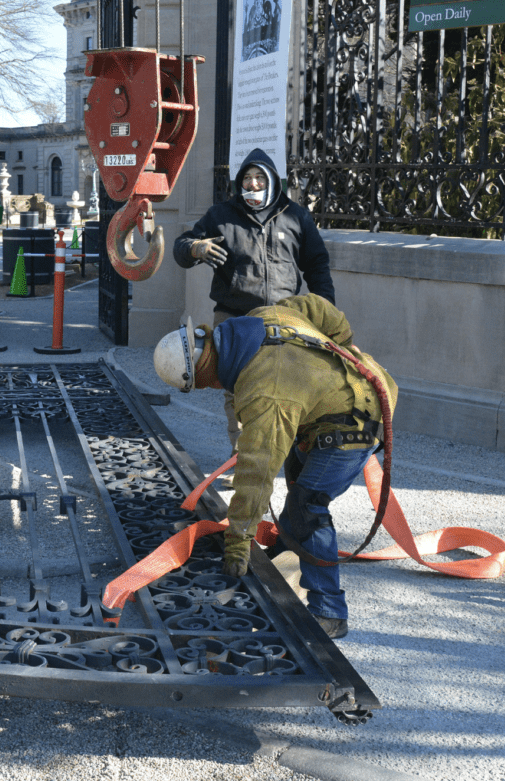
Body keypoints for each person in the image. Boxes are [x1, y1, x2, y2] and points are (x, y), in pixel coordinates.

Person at [152, 294, 397, 638]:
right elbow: (318, 308)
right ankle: (287, 551)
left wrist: (239, 541)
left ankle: (330, 611)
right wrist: (339, 356)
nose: (213, 387)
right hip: (337, 409)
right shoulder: (262, 316)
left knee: (308, 507)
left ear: (203, 370)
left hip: (355, 424)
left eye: (203, 383)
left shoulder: (264, 391)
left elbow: (256, 472)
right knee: (299, 478)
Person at [173, 149, 336, 484]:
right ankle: (244, 462)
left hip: (285, 321)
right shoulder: (221, 215)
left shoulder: (296, 217)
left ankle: (286, 458)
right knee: (239, 393)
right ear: (239, 183)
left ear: (273, 181)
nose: (253, 184)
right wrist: (195, 248)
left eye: (260, 178)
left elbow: (317, 266)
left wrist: (326, 312)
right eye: (247, 178)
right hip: (234, 319)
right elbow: (181, 247)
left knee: (287, 391)